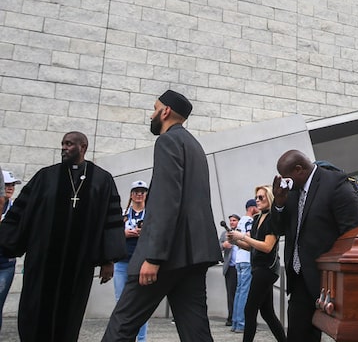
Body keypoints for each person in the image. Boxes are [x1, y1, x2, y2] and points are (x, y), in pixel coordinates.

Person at [102, 90, 222, 342]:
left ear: (165, 111)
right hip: (193, 256)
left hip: (166, 256)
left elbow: (166, 201)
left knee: (121, 325)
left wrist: (153, 256)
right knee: (196, 331)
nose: (151, 114)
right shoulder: (194, 145)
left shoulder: (167, 142)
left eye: (154, 108)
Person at [0, 131, 125, 342]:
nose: (64, 148)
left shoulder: (102, 180)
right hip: (42, 261)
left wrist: (108, 260)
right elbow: (23, 212)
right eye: (63, 144)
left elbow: (109, 221)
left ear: (83, 147)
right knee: (34, 313)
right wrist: (7, 242)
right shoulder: (45, 176)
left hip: (78, 265)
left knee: (69, 317)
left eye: (69, 144)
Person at [272, 149, 358, 342]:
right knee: (297, 335)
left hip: (327, 279)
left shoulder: (335, 184)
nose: (285, 183)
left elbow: (351, 234)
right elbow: (278, 229)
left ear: (299, 170)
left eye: (287, 178)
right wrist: (279, 203)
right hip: (299, 279)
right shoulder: (293, 192)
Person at [227, 185, 287, 342]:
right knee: (267, 313)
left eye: (261, 197)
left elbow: (267, 247)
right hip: (258, 268)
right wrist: (236, 241)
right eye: (256, 197)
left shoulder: (273, 217)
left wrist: (243, 237)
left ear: (270, 198)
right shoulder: (256, 219)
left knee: (249, 309)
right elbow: (250, 247)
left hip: (267, 269)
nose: (258, 200)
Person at [113, 180, 150, 342]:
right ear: (131, 194)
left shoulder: (150, 214)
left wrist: (145, 233)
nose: (139, 194)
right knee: (121, 303)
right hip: (122, 262)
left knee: (141, 304)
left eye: (142, 191)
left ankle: (141, 339)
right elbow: (112, 234)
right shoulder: (122, 213)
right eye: (136, 191)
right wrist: (124, 233)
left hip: (141, 263)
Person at [0, 170, 22, 333]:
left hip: (6, 262)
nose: (10, 187)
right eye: (7, 184)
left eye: (12, 184)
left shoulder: (15, 209)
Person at [232, 198, 256, 332]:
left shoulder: (240, 221)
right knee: (244, 292)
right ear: (252, 208)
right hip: (247, 259)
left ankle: (236, 322)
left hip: (239, 259)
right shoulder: (250, 221)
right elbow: (249, 239)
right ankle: (241, 324)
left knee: (239, 291)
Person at [220, 213, 240, 326]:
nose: (232, 222)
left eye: (234, 220)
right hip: (231, 268)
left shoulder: (241, 232)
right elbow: (217, 246)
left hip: (241, 267)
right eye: (231, 221)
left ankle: (240, 317)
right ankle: (231, 317)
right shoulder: (225, 233)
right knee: (231, 294)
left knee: (241, 293)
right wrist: (224, 245)